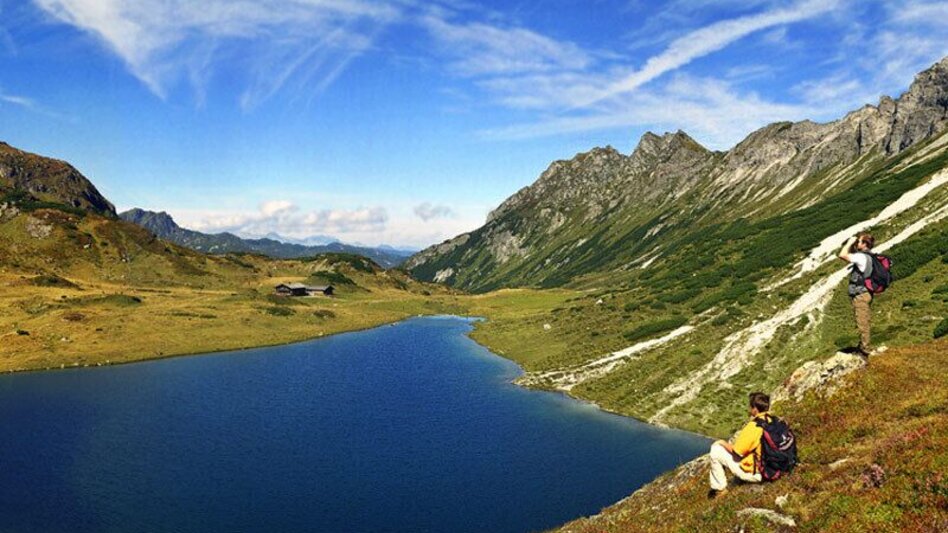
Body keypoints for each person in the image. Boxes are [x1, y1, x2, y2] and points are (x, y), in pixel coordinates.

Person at [707, 392, 771, 498]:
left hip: (759, 474)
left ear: (754, 408)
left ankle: (720, 489)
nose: (749, 408)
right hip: (777, 468)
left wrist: (722, 442)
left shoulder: (754, 426)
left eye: (750, 406)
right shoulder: (774, 421)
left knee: (716, 450)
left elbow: (737, 451)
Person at [838, 232, 875, 356]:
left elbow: (842, 255)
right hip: (866, 293)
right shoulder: (869, 256)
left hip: (861, 294)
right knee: (864, 319)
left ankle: (865, 349)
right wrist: (855, 244)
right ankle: (863, 346)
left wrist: (849, 243)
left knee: (862, 321)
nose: (856, 243)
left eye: (859, 241)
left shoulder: (861, 257)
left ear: (864, 244)